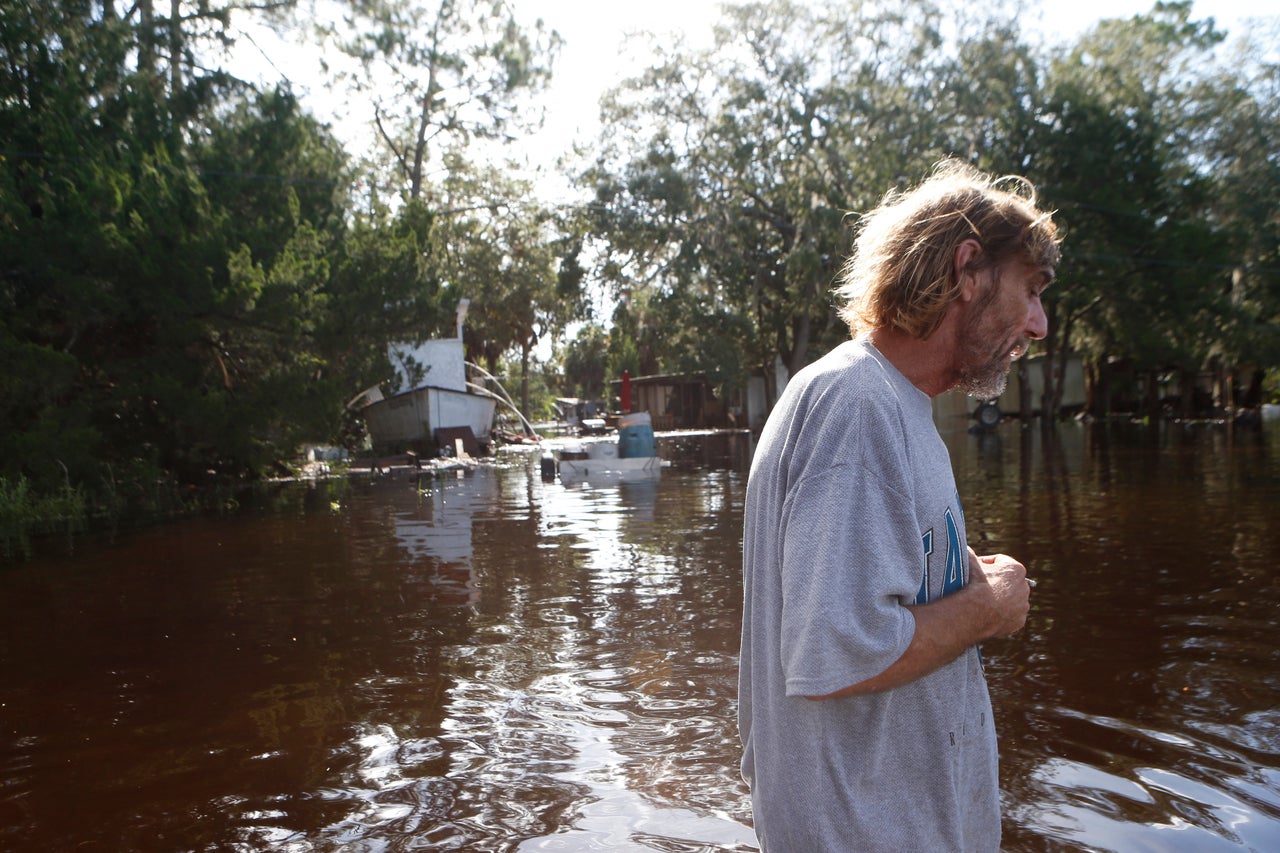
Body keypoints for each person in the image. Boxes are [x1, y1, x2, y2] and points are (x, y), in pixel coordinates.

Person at [738, 159, 1061, 852]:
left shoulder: (893, 405)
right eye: (1030, 291)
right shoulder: (857, 405)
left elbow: (864, 596)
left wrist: (956, 574)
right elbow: (834, 651)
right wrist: (989, 607)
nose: (1038, 324)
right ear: (969, 268)